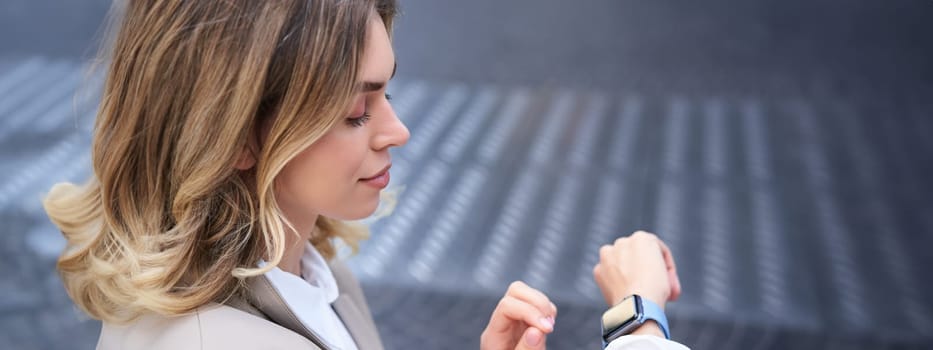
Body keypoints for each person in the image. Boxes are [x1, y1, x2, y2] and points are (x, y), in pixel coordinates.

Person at [43, 1, 689, 349]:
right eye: (357, 111)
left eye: (385, 94)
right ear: (238, 135)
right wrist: (638, 320)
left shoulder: (314, 279)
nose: (396, 130)